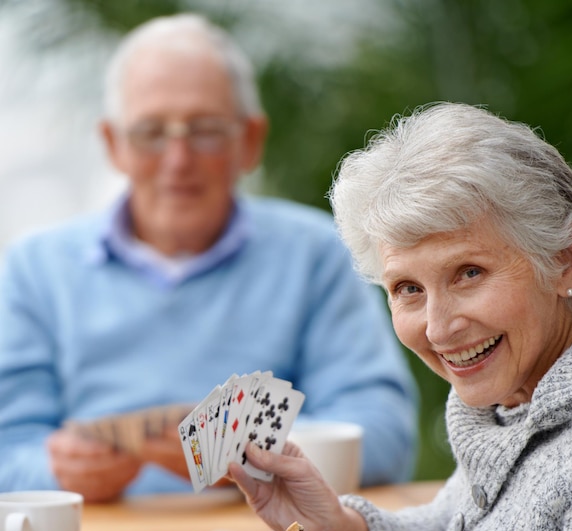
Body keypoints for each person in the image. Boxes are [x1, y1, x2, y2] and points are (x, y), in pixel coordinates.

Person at [228, 102, 572, 531]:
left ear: (563, 260)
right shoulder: (526, 387)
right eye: (408, 288)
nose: (438, 329)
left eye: (468, 273)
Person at [0, 14, 419, 502]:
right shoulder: (34, 269)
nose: (178, 160)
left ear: (250, 141)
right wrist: (55, 473)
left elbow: (383, 434)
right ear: (114, 145)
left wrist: (255, 452)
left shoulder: (316, 253)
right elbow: (8, 449)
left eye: (205, 131)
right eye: (151, 132)